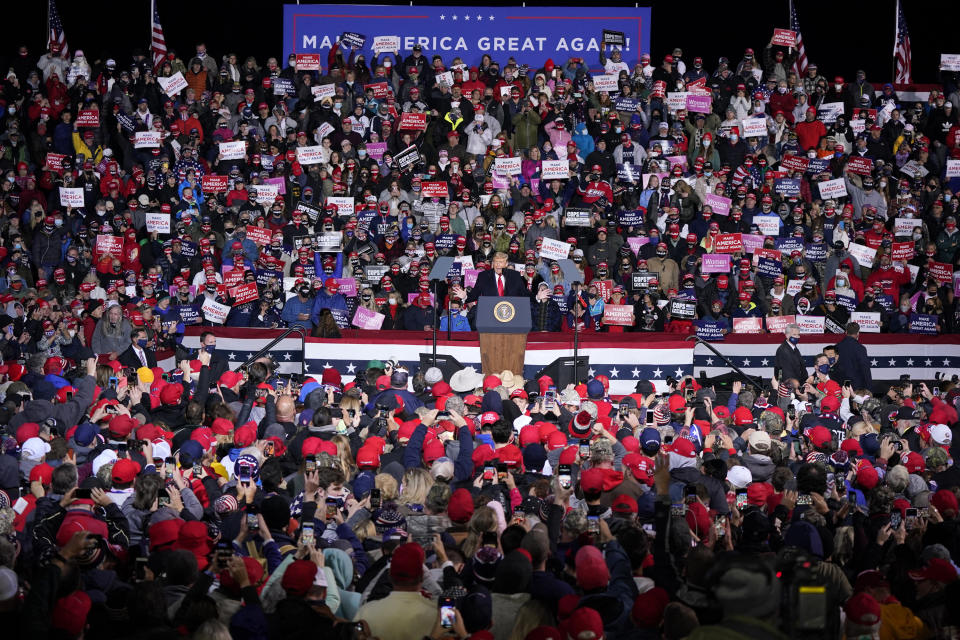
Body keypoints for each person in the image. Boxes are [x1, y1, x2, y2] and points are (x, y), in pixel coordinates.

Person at [835, 322, 872, 391]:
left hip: (841, 384)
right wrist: (869, 388)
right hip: (856, 385)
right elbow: (865, 368)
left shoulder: (837, 347)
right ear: (858, 333)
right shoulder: (860, 348)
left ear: (846, 332)